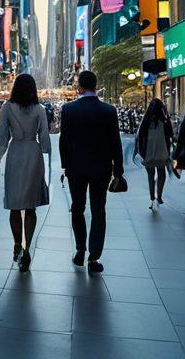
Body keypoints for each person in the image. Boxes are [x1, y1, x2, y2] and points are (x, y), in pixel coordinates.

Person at [59, 69, 124, 274]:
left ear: (79, 86)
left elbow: (64, 140)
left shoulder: (68, 110)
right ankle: (94, 257)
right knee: (98, 210)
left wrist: (65, 165)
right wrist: (119, 169)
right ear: (96, 86)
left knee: (77, 207)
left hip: (76, 168)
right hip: (101, 168)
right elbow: (116, 142)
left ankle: (80, 249)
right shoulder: (108, 111)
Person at [0, 73, 51, 271]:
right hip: (33, 154)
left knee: (14, 205)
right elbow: (45, 139)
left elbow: (2, 138)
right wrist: (47, 157)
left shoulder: (6, 108)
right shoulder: (40, 109)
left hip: (16, 153)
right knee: (31, 207)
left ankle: (17, 244)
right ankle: (28, 248)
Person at [136, 98, 173, 209]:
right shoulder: (165, 120)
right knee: (161, 174)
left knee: (150, 175)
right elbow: (170, 135)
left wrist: (141, 152)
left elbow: (140, 137)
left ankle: (152, 196)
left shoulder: (146, 121)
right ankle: (159, 196)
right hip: (162, 152)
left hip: (148, 153)